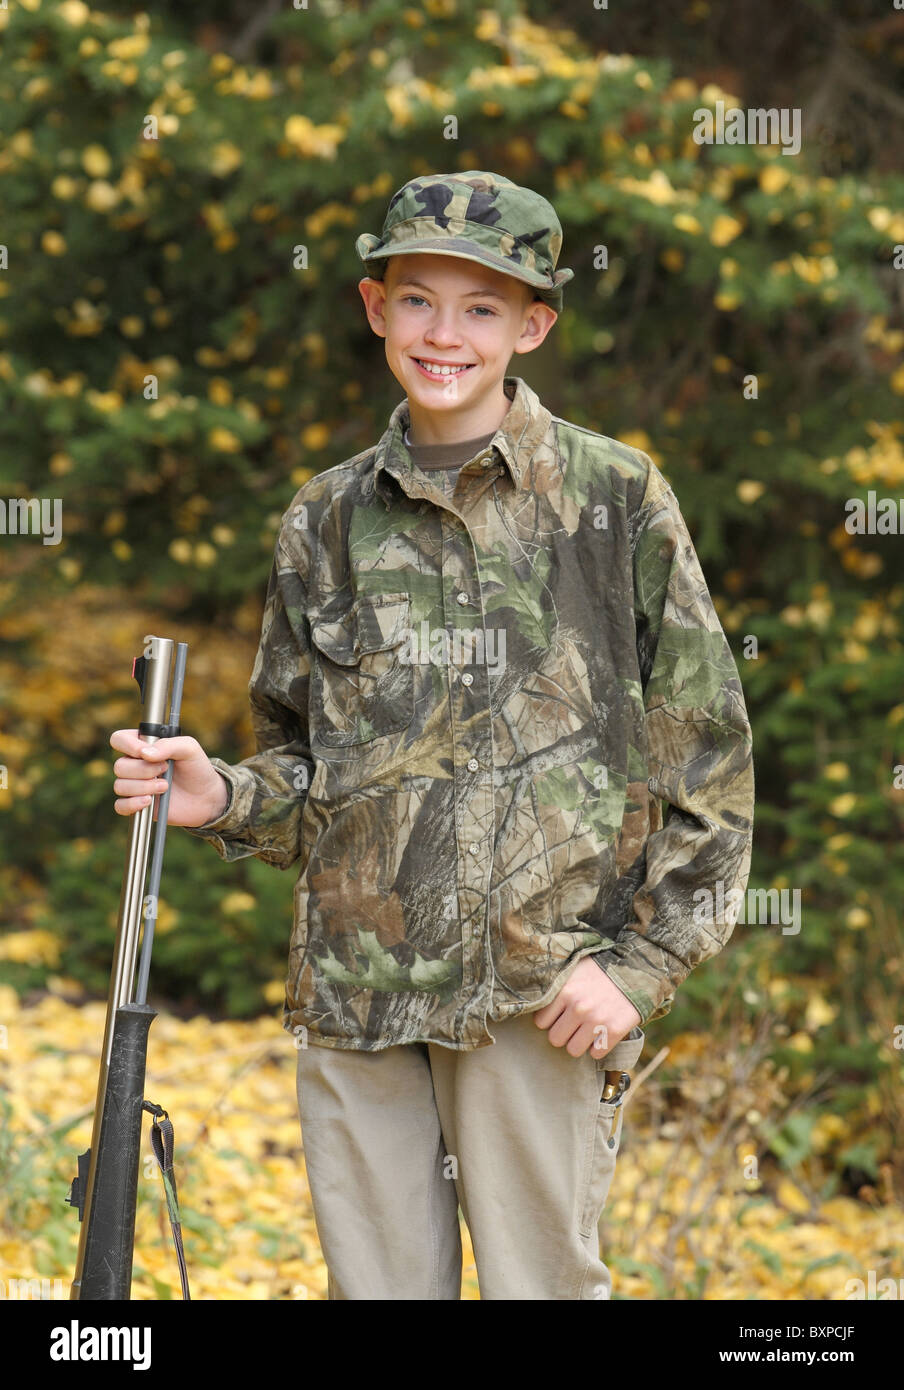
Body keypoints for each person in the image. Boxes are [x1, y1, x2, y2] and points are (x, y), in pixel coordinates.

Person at [110, 170, 755, 1301]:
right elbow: (311, 767)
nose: (443, 334)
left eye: (481, 307)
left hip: (540, 1000)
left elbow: (707, 758)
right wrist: (226, 797)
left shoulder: (614, 498)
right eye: (417, 300)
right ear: (374, 308)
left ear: (533, 325)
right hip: (361, 998)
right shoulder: (324, 518)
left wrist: (641, 965)